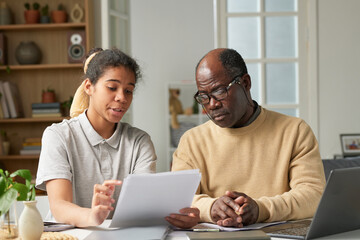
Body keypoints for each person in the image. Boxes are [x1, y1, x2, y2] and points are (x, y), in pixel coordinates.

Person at [36, 47, 199, 229]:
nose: (122, 98)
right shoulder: (58, 136)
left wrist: (180, 217)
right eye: (112, 87)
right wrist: (92, 216)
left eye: (128, 91)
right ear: (89, 87)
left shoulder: (139, 142)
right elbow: (59, 207)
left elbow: (144, 207)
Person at [171, 48, 326, 228]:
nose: (212, 104)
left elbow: (314, 195)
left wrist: (262, 209)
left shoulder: (295, 131)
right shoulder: (191, 141)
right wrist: (211, 207)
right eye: (204, 97)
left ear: (245, 83)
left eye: (220, 91)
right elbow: (177, 200)